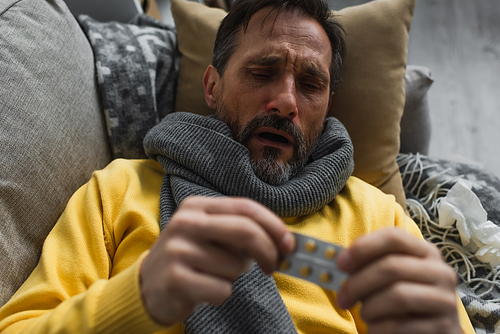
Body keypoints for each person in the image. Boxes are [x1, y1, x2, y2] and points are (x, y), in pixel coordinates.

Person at [0, 0, 475, 333]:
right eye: (262, 72)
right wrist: (136, 297)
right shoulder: (118, 189)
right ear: (212, 87)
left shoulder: (379, 216)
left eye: (310, 83)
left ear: (328, 105)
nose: (286, 101)